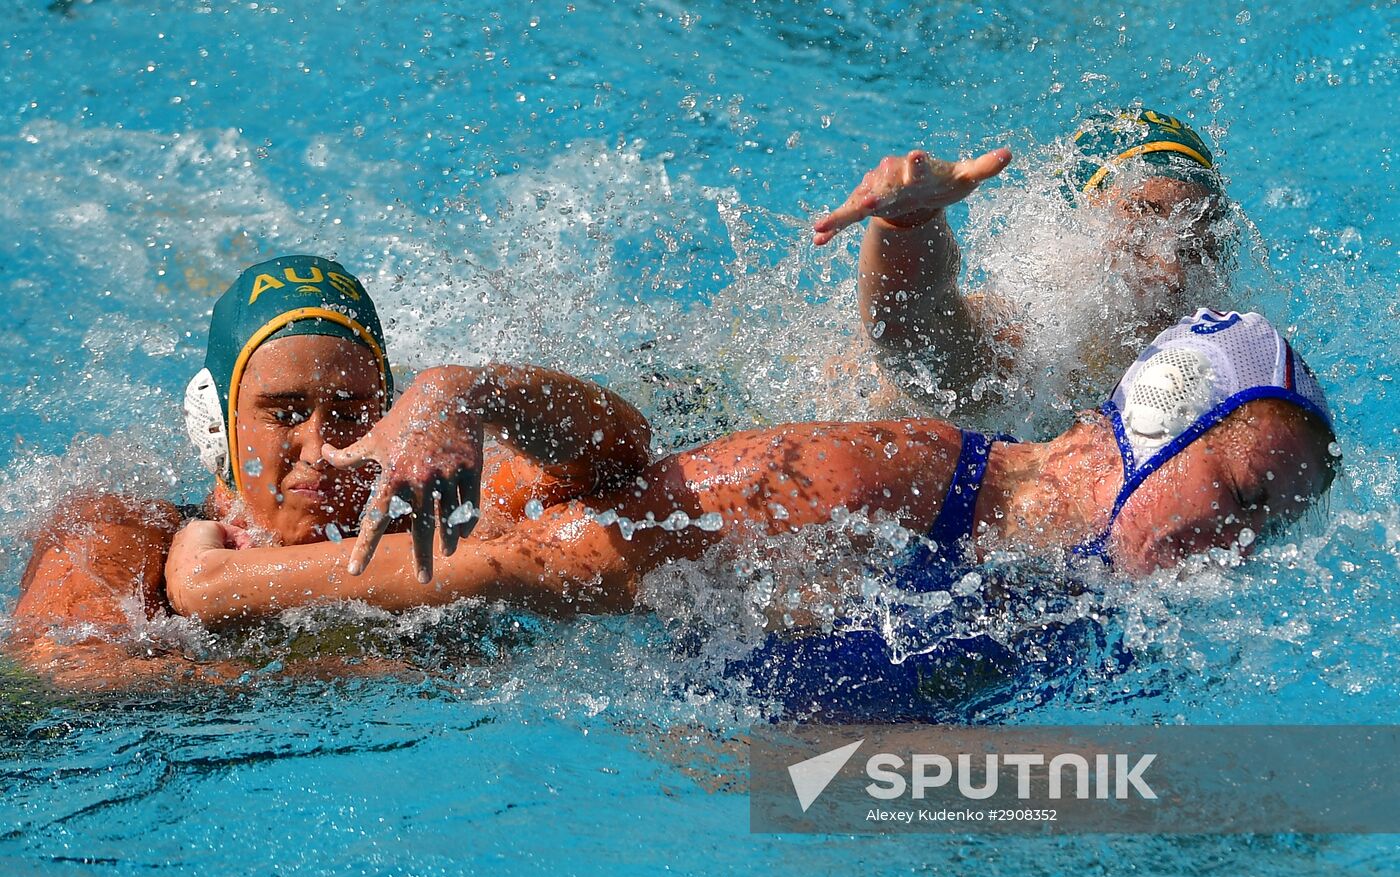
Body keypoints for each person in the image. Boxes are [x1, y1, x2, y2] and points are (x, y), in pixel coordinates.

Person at [153, 308, 1338, 719]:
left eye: (1268, 525)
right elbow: (526, 562)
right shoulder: (862, 480)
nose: (1238, 547)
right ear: (1149, 432)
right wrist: (222, 590)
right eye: (1235, 497)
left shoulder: (1105, 586)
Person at [9, 255, 653, 689]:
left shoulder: (434, 507)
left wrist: (469, 391)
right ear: (215, 424)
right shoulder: (120, 534)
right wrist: (358, 667)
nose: (319, 448)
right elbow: (60, 685)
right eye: (284, 412)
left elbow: (622, 453)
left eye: (350, 414)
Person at [812, 107, 1230, 421]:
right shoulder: (1034, 337)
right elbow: (915, 332)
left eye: (1195, 247)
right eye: (1139, 230)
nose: (1171, 273)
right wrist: (909, 224)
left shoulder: (1225, 355)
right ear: (1070, 230)